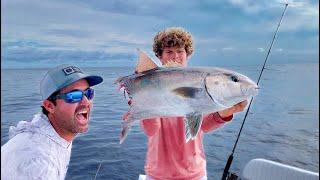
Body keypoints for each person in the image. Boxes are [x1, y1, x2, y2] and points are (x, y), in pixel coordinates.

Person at [140, 27, 248, 180]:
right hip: (158, 174)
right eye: (169, 52)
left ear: (187, 54)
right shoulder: (150, 86)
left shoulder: (199, 83)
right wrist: (145, 99)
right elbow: (151, 130)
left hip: (194, 174)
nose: (175, 57)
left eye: (180, 51)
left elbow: (204, 126)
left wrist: (225, 113)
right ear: (159, 56)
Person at [1, 64, 103, 180]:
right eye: (74, 96)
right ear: (49, 106)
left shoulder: (50, 135)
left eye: (88, 93)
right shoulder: (40, 165)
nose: (86, 102)